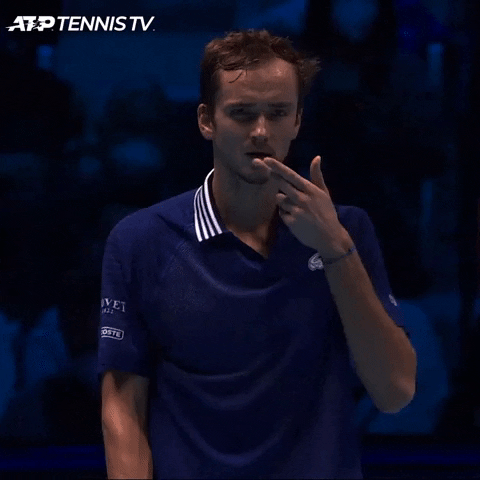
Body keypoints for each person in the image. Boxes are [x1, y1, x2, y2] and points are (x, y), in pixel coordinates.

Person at [98, 29, 417, 479]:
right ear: (207, 120)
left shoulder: (347, 231)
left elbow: (395, 392)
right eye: (242, 113)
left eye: (278, 112)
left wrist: (335, 249)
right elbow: (122, 407)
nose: (262, 131)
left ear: (298, 120)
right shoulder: (141, 240)